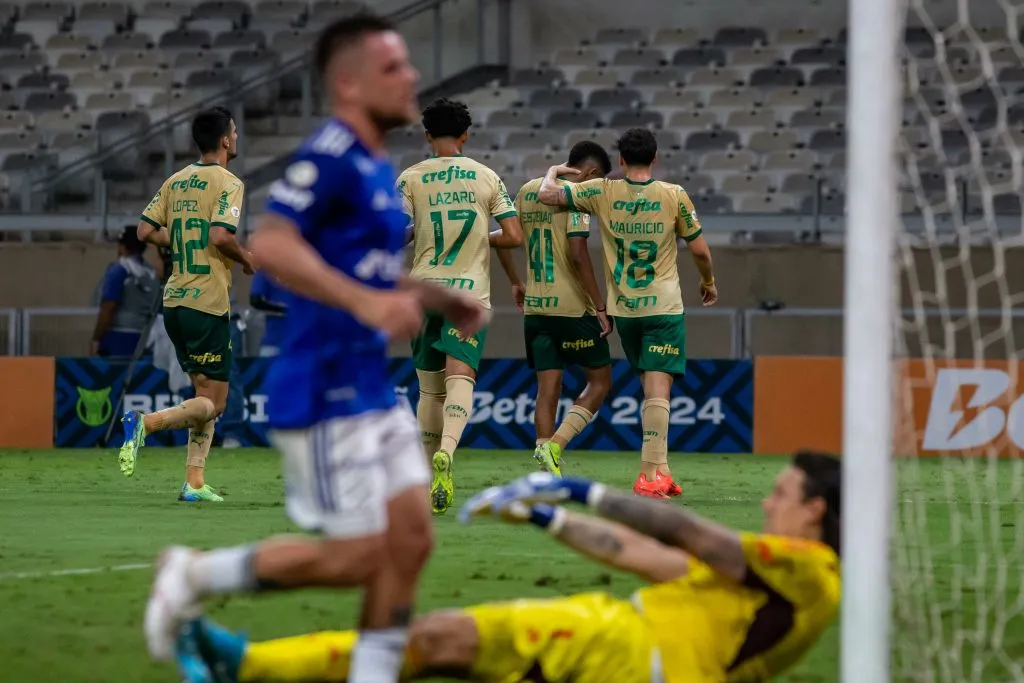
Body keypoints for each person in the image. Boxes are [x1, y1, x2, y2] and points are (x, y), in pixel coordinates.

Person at [143, 14, 488, 683]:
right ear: (349, 82)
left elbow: (365, 269)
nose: (411, 76)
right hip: (326, 387)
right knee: (362, 554)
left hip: (368, 384)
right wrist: (366, 303)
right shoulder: (329, 153)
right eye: (393, 67)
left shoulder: (376, 165)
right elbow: (272, 245)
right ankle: (193, 573)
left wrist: (434, 296)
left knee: (412, 539)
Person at [177, 450, 841, 683]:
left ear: (815, 510)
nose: (768, 501)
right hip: (630, 655)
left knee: (436, 639)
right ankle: (249, 664)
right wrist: (547, 517)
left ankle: (248, 664)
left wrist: (577, 489)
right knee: (436, 641)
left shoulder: (811, 569)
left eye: (781, 493)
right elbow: (648, 555)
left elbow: (688, 530)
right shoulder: (766, 582)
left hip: (629, 649)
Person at [538, 128, 718, 498]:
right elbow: (700, 251)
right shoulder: (673, 195)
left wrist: (554, 171)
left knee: (652, 386)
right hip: (662, 307)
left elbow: (547, 194)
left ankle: (661, 471)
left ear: (620, 160)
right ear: (655, 158)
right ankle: (649, 475)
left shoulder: (600, 190)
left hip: (625, 311)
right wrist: (709, 281)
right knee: (658, 389)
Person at [121, 105, 254, 503]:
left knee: (202, 394)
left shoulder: (176, 180)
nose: (237, 137)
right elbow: (220, 236)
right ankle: (145, 423)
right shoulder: (229, 182)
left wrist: (178, 239)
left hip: (174, 302)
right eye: (234, 132)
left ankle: (194, 482)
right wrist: (247, 259)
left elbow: (145, 230)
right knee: (216, 402)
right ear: (225, 140)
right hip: (206, 303)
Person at [397, 97, 523, 514]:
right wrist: (479, 237)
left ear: (427, 135)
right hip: (467, 295)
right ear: (465, 136)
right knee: (460, 377)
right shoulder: (486, 176)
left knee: (429, 389)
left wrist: (419, 232)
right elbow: (513, 235)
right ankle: (446, 453)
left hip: (423, 292)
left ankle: (426, 476)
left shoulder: (410, 178)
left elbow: (393, 233)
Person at [495, 141, 614, 477]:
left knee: (547, 390)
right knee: (600, 382)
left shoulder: (528, 190)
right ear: (591, 172)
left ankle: (546, 470)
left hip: (536, 309)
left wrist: (515, 281)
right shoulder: (576, 196)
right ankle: (555, 446)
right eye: (598, 180)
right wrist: (600, 305)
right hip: (572, 309)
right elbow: (577, 255)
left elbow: (505, 238)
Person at [90, 225, 160, 357]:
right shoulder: (152, 273)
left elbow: (108, 308)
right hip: (146, 338)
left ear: (123, 247)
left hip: (118, 338)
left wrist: (96, 339)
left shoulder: (118, 270)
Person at [248, 271, 288, 357]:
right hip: (274, 343)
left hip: (304, 345)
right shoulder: (266, 271)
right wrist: (285, 309)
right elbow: (256, 301)